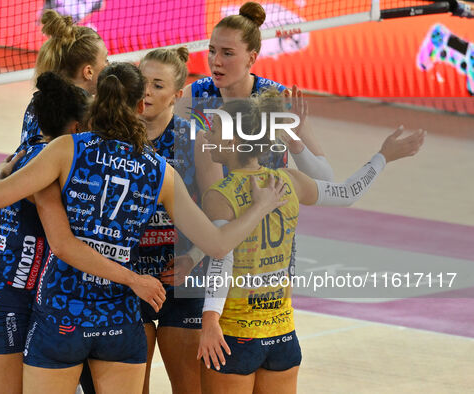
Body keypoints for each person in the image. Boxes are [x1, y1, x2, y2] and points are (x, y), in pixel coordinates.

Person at [0, 62, 289, 394]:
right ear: (140, 105)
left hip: (63, 311)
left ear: (96, 99)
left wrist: (2, 172)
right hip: (120, 315)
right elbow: (217, 244)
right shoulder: (158, 168)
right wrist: (260, 206)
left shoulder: (67, 149)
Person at [195, 92, 426, 394]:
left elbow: (221, 258)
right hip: (283, 338)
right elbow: (348, 193)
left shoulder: (219, 195)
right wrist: (383, 156)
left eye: (214, 129)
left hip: (236, 336)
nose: (207, 133)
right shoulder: (289, 180)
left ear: (234, 142)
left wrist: (210, 320)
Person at [180, 1, 333, 194]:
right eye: (212, 51)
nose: (215, 61)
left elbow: (326, 180)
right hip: (209, 213)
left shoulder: (277, 99)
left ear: (251, 58)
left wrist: (295, 143)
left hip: (266, 212)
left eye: (227, 53)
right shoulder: (192, 95)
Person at [134, 47, 207, 394]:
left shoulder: (193, 141)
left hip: (183, 276)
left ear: (177, 95)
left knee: (190, 387)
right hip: (130, 278)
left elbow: (217, 215)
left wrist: (192, 258)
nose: (145, 92)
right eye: (142, 82)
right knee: (133, 387)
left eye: (158, 85)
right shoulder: (114, 136)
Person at [20, 9, 108, 144]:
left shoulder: (38, 101)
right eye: (106, 59)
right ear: (88, 72)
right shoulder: (86, 112)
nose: (109, 65)